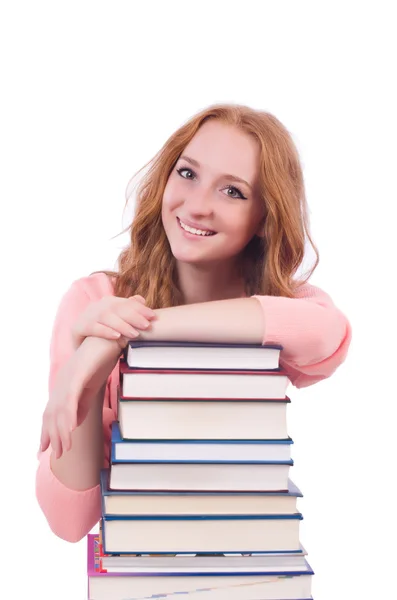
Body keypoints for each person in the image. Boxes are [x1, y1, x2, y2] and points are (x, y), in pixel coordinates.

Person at [36, 103, 352, 543]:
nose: (198, 206)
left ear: (264, 218)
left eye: (233, 192)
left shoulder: (285, 303)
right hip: (143, 564)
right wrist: (88, 376)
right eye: (187, 174)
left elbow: (327, 335)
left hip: (247, 562)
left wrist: (126, 334)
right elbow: (69, 522)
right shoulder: (96, 303)